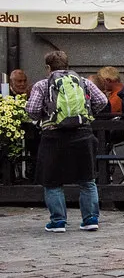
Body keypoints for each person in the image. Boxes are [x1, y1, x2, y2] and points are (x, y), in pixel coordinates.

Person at [25, 51, 108, 232]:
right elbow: (103, 101)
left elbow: (31, 110)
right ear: (67, 65)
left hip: (53, 136)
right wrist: (87, 114)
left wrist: (44, 116)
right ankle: (90, 219)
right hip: (83, 133)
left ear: (48, 67)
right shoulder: (84, 82)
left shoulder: (42, 85)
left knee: (52, 181)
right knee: (87, 180)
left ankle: (58, 222)